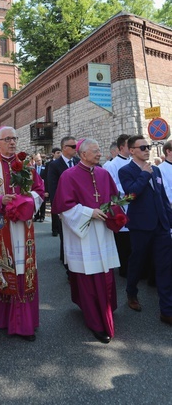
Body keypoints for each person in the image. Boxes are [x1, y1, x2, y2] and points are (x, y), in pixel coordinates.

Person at [0, 126, 45, 341]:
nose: (12, 142)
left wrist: (25, 201)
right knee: (1, 265)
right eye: (7, 139)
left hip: (22, 225)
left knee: (23, 266)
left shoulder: (25, 164)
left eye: (14, 138)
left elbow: (39, 190)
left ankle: (23, 320)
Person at [54, 138, 120, 343]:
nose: (100, 153)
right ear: (83, 154)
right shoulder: (68, 176)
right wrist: (88, 212)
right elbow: (63, 208)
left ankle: (105, 309)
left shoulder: (103, 173)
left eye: (100, 150)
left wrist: (115, 212)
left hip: (103, 232)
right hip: (83, 235)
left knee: (105, 274)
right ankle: (95, 320)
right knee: (88, 276)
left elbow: (114, 198)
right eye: (95, 151)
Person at [118, 135, 172, 324]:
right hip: (141, 226)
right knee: (137, 262)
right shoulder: (126, 170)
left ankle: (167, 310)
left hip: (161, 226)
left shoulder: (156, 170)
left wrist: (169, 219)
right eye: (142, 147)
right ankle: (131, 292)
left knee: (165, 266)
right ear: (131, 150)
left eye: (148, 147)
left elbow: (162, 197)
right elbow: (131, 194)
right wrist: (144, 174)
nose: (147, 150)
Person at [48, 136, 79, 271]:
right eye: (73, 147)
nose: (75, 149)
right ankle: (67, 263)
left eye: (76, 146)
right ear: (64, 148)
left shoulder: (79, 162)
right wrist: (58, 209)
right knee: (65, 235)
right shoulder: (55, 165)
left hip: (79, 206)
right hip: (64, 206)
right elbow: (53, 188)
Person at [103, 134, 131, 277]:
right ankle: (124, 268)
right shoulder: (111, 165)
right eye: (129, 145)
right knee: (123, 241)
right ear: (121, 148)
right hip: (122, 204)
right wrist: (130, 190)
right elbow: (112, 185)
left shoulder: (134, 161)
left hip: (135, 206)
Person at [33, 153, 47, 222]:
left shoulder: (45, 167)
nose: (39, 162)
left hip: (43, 187)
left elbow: (47, 178)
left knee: (43, 202)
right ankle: (36, 215)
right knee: (36, 201)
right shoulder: (33, 168)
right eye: (37, 161)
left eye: (40, 160)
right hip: (35, 188)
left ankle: (42, 216)